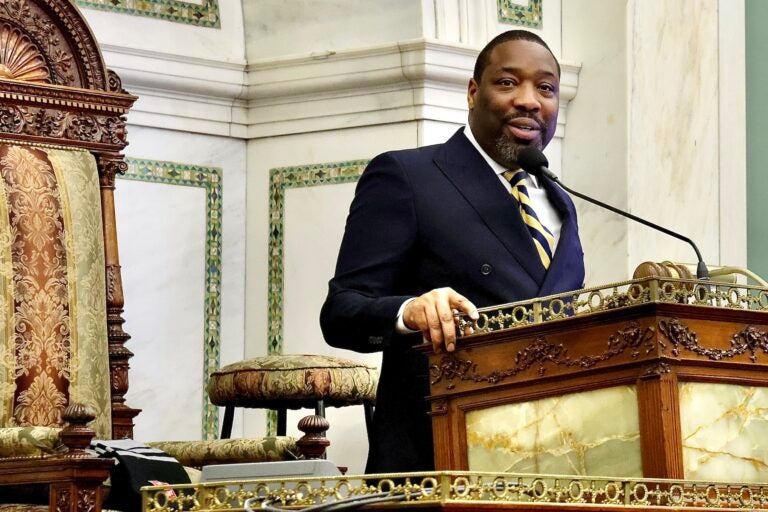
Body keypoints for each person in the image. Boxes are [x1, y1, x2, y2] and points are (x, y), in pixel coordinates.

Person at [320, 30, 585, 473]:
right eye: (507, 83)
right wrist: (410, 311)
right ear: (472, 92)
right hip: (437, 461)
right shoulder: (408, 176)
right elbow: (341, 312)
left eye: (546, 88)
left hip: (548, 463)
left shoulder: (560, 203)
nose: (529, 101)